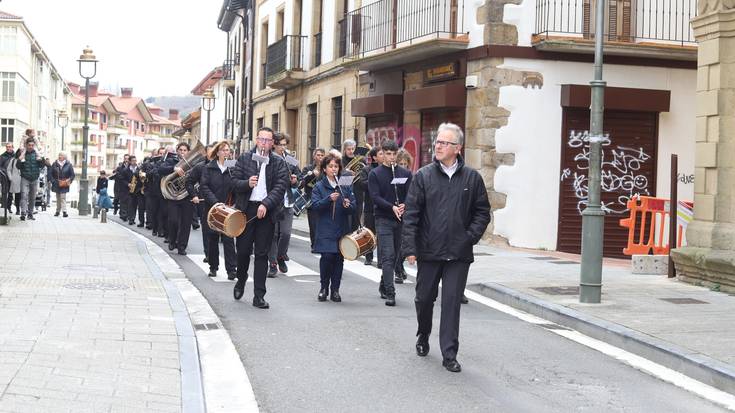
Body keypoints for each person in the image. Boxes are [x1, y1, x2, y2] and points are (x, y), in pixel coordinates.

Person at [402, 122, 491, 373]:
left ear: (458, 148)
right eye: (437, 142)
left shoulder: (472, 178)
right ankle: (423, 334)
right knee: (424, 299)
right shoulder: (423, 176)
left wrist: (468, 237)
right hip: (429, 251)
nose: (437, 146)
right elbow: (411, 215)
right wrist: (410, 248)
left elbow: (482, 213)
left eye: (444, 143)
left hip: (458, 254)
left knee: (451, 303)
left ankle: (449, 353)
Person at [231, 127, 289, 309]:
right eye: (261, 139)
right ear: (256, 141)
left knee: (262, 254)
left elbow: (280, 186)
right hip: (247, 210)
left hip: (266, 211)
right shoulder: (244, 158)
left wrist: (266, 203)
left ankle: (259, 295)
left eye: (268, 140)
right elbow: (233, 182)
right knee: (242, 251)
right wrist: (246, 183)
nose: (264, 143)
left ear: (272, 143)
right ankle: (240, 281)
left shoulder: (278, 162)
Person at [368, 140, 412, 306]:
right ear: (383, 154)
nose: (391, 157)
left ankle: (383, 284)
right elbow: (375, 197)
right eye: (388, 154)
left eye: (394, 154)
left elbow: (411, 194)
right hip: (383, 218)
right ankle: (390, 292)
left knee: (395, 257)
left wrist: (405, 205)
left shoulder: (405, 174)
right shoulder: (376, 174)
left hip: (400, 219)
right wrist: (391, 207)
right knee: (388, 255)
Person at [311, 153, 355, 302]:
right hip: (325, 228)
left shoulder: (345, 185)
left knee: (338, 259)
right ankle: (324, 287)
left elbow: (353, 207)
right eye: (330, 166)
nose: (334, 169)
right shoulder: (319, 186)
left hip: (341, 228)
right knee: (327, 257)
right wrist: (328, 199)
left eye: (336, 166)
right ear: (324, 169)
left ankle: (335, 290)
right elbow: (315, 206)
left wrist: (348, 205)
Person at [199, 141, 237, 280]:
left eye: (228, 150)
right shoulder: (209, 168)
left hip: (228, 208)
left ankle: (232, 270)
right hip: (213, 208)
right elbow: (204, 187)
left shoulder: (232, 168)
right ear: (217, 152)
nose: (226, 152)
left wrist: (234, 202)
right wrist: (215, 202)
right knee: (213, 238)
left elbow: (236, 184)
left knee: (228, 238)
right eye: (223, 150)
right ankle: (213, 267)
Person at [268, 132, 300, 277]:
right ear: (274, 144)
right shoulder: (269, 158)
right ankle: (273, 264)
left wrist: (295, 180)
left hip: (287, 201)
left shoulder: (291, 160)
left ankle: (281, 256)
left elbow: (299, 179)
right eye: (280, 145)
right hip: (274, 201)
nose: (283, 147)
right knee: (273, 235)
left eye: (285, 145)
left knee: (286, 234)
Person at [188, 142, 217, 263]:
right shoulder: (200, 167)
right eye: (210, 152)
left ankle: (230, 267)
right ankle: (209, 255)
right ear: (206, 153)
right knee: (207, 231)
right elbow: (189, 182)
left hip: (221, 202)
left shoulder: (225, 165)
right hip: (204, 202)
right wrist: (194, 195)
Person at [166, 142, 195, 255]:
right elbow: (161, 170)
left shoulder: (193, 164)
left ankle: (182, 246)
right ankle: (172, 240)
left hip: (187, 196)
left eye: (185, 150)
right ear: (177, 151)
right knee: (173, 220)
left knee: (186, 223)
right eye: (181, 150)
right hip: (173, 196)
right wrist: (174, 168)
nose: (183, 152)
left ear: (188, 152)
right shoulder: (171, 161)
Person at [360, 146, 383, 266]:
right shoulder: (367, 170)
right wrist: (374, 180)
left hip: (383, 207)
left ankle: (381, 260)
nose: (384, 156)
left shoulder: (387, 169)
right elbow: (362, 184)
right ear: (374, 157)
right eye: (381, 154)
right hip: (370, 206)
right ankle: (368, 257)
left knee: (382, 234)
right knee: (369, 232)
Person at [15, 137, 48, 221]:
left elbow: (42, 165)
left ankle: (30, 213)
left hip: (34, 178)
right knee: (24, 195)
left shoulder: (36, 153)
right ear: (26, 145)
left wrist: (42, 159)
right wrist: (20, 158)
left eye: (32, 145)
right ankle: (23, 213)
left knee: (32, 197)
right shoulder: (21, 153)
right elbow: (17, 166)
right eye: (29, 145)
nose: (31, 146)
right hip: (25, 178)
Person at [300, 147, 325, 252]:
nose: (320, 157)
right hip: (311, 200)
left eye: (322, 155)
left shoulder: (326, 169)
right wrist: (312, 175)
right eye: (318, 155)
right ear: (314, 156)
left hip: (323, 199)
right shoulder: (308, 168)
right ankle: (314, 245)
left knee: (323, 224)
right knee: (313, 224)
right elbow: (301, 182)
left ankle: (322, 244)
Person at [49, 152, 75, 217]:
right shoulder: (55, 164)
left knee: (63, 197)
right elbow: (50, 173)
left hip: (64, 183)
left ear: (64, 157)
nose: (59, 156)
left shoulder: (69, 165)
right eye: (59, 155)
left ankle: (64, 211)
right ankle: (57, 211)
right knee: (58, 198)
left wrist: (68, 181)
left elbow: (72, 175)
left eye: (61, 155)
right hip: (56, 183)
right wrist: (53, 181)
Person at [125, 156, 145, 227]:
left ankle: (141, 221)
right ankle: (131, 219)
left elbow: (143, 178)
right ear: (130, 161)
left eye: (135, 160)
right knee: (131, 205)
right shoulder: (126, 170)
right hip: (130, 190)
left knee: (140, 207)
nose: (134, 162)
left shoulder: (140, 169)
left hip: (138, 190)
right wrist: (128, 184)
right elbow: (122, 179)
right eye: (133, 160)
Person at [1, 143, 20, 214]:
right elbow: (0, 167)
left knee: (16, 194)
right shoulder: (2, 156)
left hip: (15, 178)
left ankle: (17, 208)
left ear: (13, 147)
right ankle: (6, 207)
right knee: (7, 193)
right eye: (7, 147)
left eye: (10, 147)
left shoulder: (16, 156)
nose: (8, 148)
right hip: (5, 178)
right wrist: (5, 173)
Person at [110, 154, 130, 219]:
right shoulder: (120, 168)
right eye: (125, 158)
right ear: (124, 159)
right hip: (119, 187)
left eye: (128, 158)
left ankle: (125, 214)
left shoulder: (131, 167)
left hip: (128, 187)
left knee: (127, 201)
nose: (126, 160)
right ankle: (121, 213)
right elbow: (117, 175)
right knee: (118, 200)